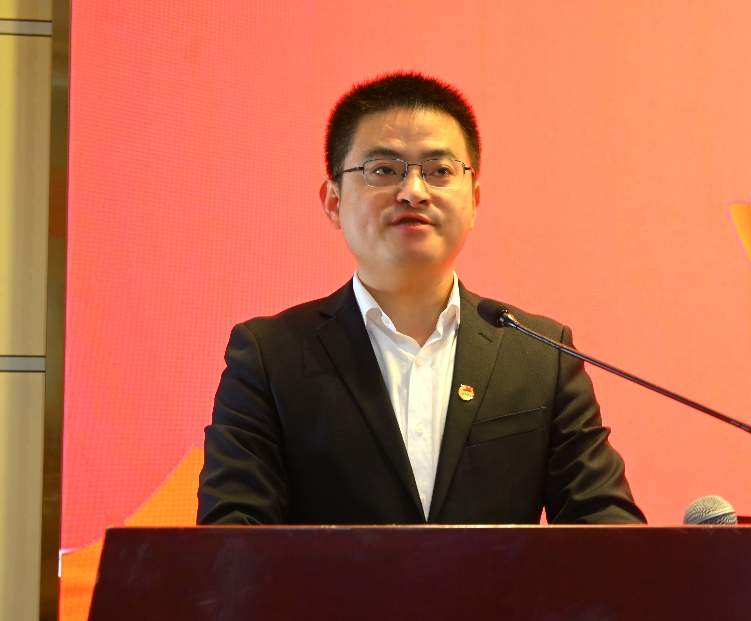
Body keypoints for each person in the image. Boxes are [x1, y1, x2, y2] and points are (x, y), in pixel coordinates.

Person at [197, 72, 646, 525]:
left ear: (473, 200)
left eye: (440, 171)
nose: (413, 191)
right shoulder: (270, 357)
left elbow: (609, 531)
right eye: (383, 170)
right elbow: (230, 541)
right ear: (333, 201)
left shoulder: (540, 354)